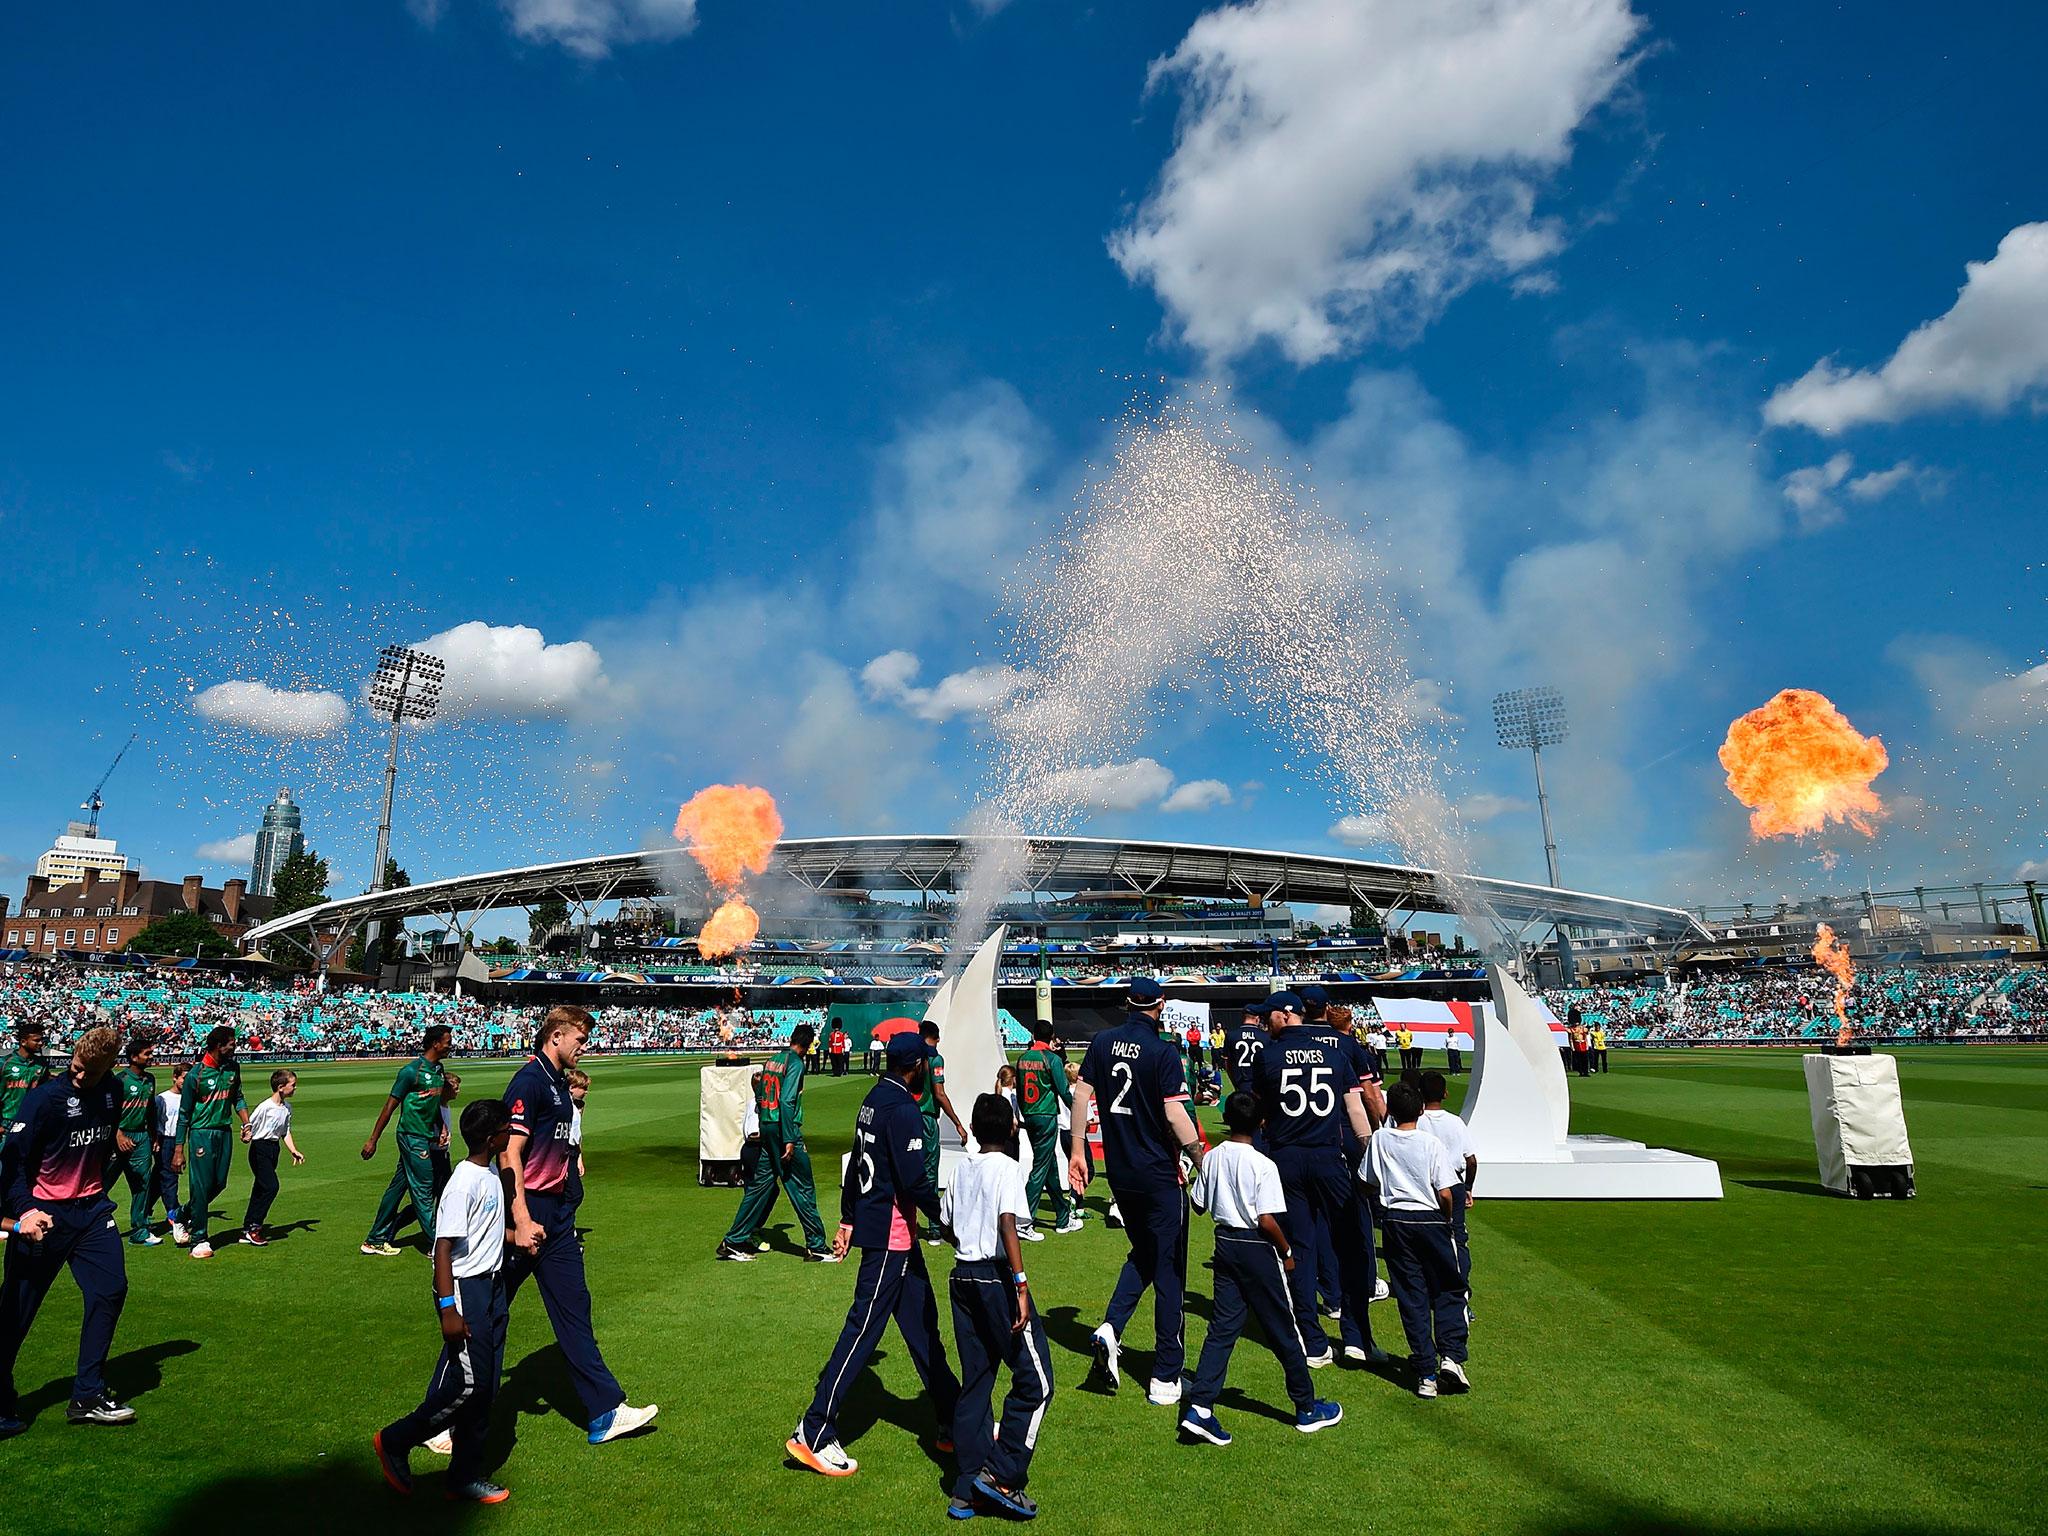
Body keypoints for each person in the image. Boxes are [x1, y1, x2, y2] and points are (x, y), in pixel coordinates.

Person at [789, 1031, 960, 1477]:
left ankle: (956, 1419)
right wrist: (947, 1221)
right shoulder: (903, 1108)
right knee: (863, 1330)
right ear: (917, 1066)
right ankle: (814, 1430)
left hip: (888, 1230)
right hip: (891, 1235)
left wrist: (847, 1219)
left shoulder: (874, 1097)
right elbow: (913, 1181)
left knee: (924, 1330)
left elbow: (856, 1164)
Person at [503, 1006, 658, 1445]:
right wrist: (520, 1216)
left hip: (556, 1214)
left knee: (575, 1307)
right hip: (527, 1210)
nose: (584, 1047)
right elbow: (509, 1153)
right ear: (555, 1036)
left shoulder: (556, 1083)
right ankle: (444, 1417)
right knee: (488, 1313)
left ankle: (604, 1412)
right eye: (580, 1039)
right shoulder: (530, 1081)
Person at [1068, 977, 1206, 1405]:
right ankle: (1165, 1374)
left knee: (1145, 1255)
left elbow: (1081, 1095)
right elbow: (1173, 1112)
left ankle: (1111, 1327)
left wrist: (1076, 1150)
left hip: (1121, 1176)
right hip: (1158, 1175)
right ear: (1160, 1005)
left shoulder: (1103, 1041)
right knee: (1170, 1274)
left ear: (1127, 1003)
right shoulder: (1164, 1051)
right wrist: (1201, 1156)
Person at [374, 1097, 516, 1505]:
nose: (511, 1132)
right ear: (491, 1139)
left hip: (492, 1288)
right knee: (470, 1385)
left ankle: (463, 1477)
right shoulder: (463, 1182)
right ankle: (396, 1440)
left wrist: (515, 1238)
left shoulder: (488, 1172)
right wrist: (447, 1308)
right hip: (467, 1290)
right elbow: (442, 1247)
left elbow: (484, 1233)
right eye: (506, 1128)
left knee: (486, 1390)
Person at [1179, 1091, 1342, 1446]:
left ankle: (1201, 1407)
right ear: (1261, 1124)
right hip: (1256, 1246)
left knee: (1222, 1328)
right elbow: (1267, 1219)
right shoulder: (1263, 1164)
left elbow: (1198, 1206)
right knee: (1284, 1327)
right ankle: (1306, 1406)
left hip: (1225, 1244)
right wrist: (1286, 1250)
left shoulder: (1212, 1158)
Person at [0, 1025, 134, 1435]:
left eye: (89, 1073)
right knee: (15, 1313)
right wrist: (24, 1212)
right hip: (44, 1217)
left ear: (110, 1067)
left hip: (93, 1212)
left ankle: (87, 1395)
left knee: (111, 1289)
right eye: (75, 1068)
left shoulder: (113, 1092)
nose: (79, 1077)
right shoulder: (45, 1099)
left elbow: (99, 1146)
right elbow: (11, 1164)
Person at [1252, 991, 1379, 1369]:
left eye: (1270, 1015)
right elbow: (1355, 1109)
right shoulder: (1335, 1053)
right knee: (1352, 1243)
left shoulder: (1268, 1056)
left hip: (1286, 1159)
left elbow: (1259, 1109)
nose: (1265, 1021)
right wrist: (1369, 1154)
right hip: (1328, 1155)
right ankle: (1356, 1338)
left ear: (1286, 1015)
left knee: (1299, 1250)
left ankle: (1312, 1338)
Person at [942, 1094, 1053, 1521]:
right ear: (1011, 1130)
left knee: (977, 1380)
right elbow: (1009, 1222)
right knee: (1036, 1382)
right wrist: (1021, 1284)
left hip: (961, 1275)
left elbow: (948, 1225)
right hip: (995, 1278)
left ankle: (966, 1487)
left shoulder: (960, 1168)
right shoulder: (1008, 1168)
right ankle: (1003, 1474)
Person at [1359, 1082, 1469, 1399]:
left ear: (1390, 1110)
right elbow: (1446, 1191)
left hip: (1396, 1220)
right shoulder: (1429, 1143)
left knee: (1411, 1295)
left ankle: (1425, 1373)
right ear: (1420, 1110)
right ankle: (1450, 1356)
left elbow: (1366, 1181)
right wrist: (1446, 1218)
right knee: (1449, 1287)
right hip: (1430, 1217)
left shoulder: (1380, 1138)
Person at [717, 1023, 832, 1262]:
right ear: (808, 1044)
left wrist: (765, 1121)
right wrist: (789, 1138)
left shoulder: (772, 1060)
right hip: (783, 1130)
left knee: (760, 1187)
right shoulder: (796, 1063)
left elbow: (760, 1094)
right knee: (802, 1186)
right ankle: (817, 1246)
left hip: (767, 1127)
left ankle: (733, 1241)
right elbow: (788, 1101)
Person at [361, 1024, 455, 1258]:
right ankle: (438, 1245)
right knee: (424, 1190)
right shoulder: (410, 1072)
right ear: (435, 1043)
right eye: (447, 1041)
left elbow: (432, 1106)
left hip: (424, 1135)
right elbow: (389, 1107)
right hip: (411, 1136)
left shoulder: (439, 1070)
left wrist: (441, 1126)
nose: (450, 1044)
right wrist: (373, 1140)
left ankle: (374, 1239)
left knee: (397, 1188)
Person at [172, 1024, 249, 1260]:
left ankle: (181, 1214)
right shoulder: (197, 1074)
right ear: (219, 1045)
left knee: (219, 1183)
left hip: (224, 1131)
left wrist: (246, 1123)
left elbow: (238, 1097)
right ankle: (199, 1238)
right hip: (201, 1133)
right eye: (231, 1043)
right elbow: (184, 1114)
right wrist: (178, 1150)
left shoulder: (232, 1068)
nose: (235, 1046)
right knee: (201, 1186)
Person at [1015, 1031, 1078, 1237]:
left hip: (1030, 1115)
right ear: (1051, 1038)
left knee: (1049, 1164)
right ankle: (1023, 1220)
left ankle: (1062, 1216)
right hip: (1046, 1115)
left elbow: (1021, 1089)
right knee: (1040, 1168)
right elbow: (1063, 1090)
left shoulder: (1022, 1058)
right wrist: (1077, 1112)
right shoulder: (1051, 1059)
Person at [1418, 1071, 1476, 1288]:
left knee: (1427, 1236)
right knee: (1457, 1236)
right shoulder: (1456, 1122)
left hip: (1425, 1183)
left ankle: (1431, 1284)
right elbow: (1471, 1160)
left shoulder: (1416, 1120)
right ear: (1445, 1093)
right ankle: (1460, 1287)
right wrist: (1468, 1187)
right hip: (1453, 1182)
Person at [917, 1020, 968, 1246]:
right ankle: (934, 1229)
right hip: (926, 1119)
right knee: (929, 1173)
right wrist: (957, 1122)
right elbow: (939, 1093)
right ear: (936, 1037)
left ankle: (903, 1224)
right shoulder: (935, 1059)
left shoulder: (910, 1056)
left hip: (905, 1117)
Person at [106, 1036, 160, 1247]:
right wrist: (118, 1134)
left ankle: (140, 1229)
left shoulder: (150, 1080)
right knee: (103, 1183)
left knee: (142, 1183)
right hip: (118, 1137)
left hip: (141, 1137)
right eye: (147, 1053)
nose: (151, 1056)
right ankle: (87, 1225)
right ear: (133, 1056)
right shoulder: (119, 1081)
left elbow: (151, 1111)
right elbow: (108, 1112)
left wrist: (154, 1136)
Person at [241, 1070, 304, 1246]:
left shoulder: (287, 1108)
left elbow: (285, 1131)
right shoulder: (265, 1107)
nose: (295, 1088)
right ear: (280, 1087)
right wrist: (246, 1135)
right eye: (293, 1085)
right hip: (259, 1149)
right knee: (271, 1187)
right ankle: (255, 1227)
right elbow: (248, 1125)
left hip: (273, 1149)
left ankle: (247, 1228)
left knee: (260, 1188)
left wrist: (293, 1150)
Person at [0, 1023, 51, 1165]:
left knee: (27, 1170)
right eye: (36, 1040)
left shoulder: (41, 1065)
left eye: (42, 1040)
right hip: (6, 1124)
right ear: (23, 1042)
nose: (40, 1043)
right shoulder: (5, 1063)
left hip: (31, 1124)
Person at [150, 1063, 189, 1246]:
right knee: (169, 1177)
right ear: (175, 1077)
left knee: (159, 1178)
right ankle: (174, 1213)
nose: (185, 1082)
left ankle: (144, 1210)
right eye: (183, 1078)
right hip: (164, 1140)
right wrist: (155, 1140)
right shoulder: (162, 1098)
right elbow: (155, 1121)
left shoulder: (189, 1098)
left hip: (178, 1141)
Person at [1221, 1002, 1265, 1095]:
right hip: (1261, 1083)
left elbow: (1227, 1063)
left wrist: (1234, 1082)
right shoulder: (1265, 1036)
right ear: (1257, 1018)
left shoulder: (1231, 1036)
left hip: (1241, 1081)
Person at [431, 1072, 463, 1201]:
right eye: (455, 1088)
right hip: (434, 1154)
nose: (458, 1091)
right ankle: (398, 1221)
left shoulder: (446, 1106)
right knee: (432, 1195)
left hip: (443, 1154)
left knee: (444, 1193)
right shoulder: (436, 1108)